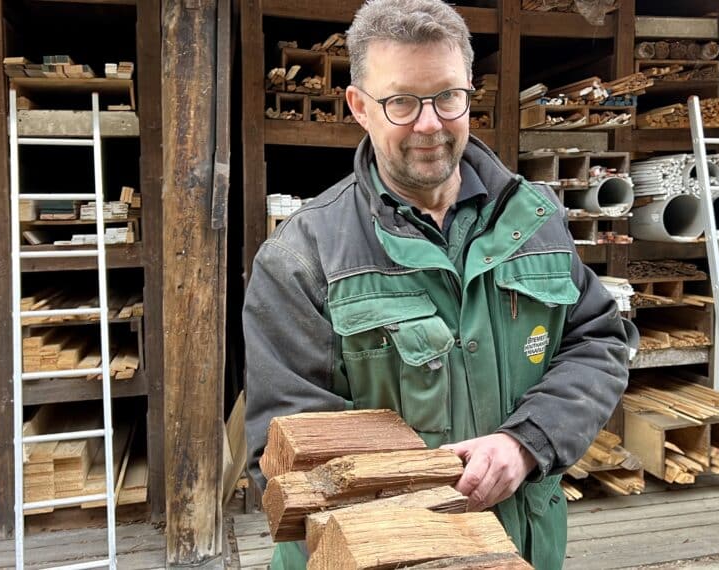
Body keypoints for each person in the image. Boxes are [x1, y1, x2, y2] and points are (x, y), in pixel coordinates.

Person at [243, 0, 636, 567]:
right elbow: (289, 458)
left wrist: (526, 442)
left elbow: (598, 341)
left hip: (523, 544)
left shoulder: (535, 219)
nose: (429, 123)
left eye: (448, 96)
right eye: (401, 101)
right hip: (379, 556)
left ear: (470, 93)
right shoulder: (303, 259)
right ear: (359, 106)